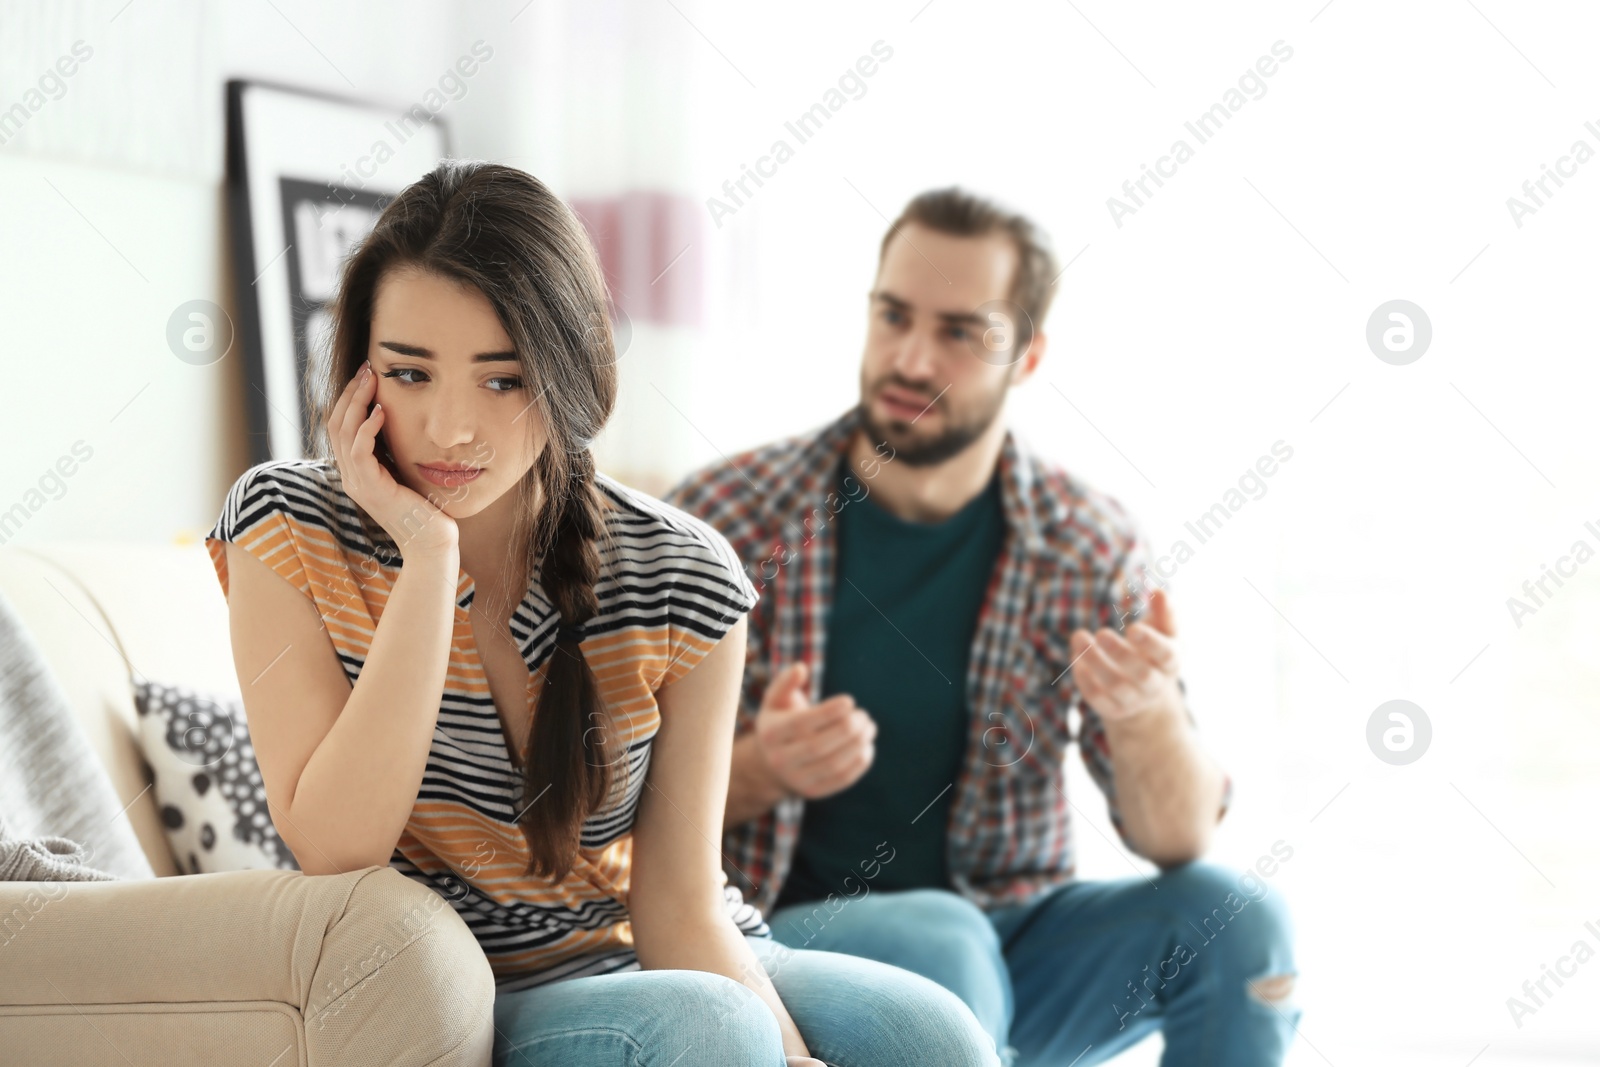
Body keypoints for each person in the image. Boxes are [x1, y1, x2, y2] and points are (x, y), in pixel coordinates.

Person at [205, 160, 1000, 1067]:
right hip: (442, 990)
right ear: (360, 377)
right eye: (410, 374)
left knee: (934, 1036)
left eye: (503, 380)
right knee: (711, 1026)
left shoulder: (684, 573)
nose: (452, 428)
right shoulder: (286, 524)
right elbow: (335, 845)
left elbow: (679, 908)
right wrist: (429, 557)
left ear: (567, 372)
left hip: (638, 957)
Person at [664, 187, 1301, 1067]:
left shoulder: (1084, 542)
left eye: (961, 332)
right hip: (780, 939)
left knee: (1241, 920)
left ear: (1027, 355)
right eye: (894, 316)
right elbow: (596, 801)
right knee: (939, 933)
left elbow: (1177, 837)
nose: (912, 358)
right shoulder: (725, 518)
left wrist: (1147, 713)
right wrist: (761, 768)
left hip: (1012, 937)